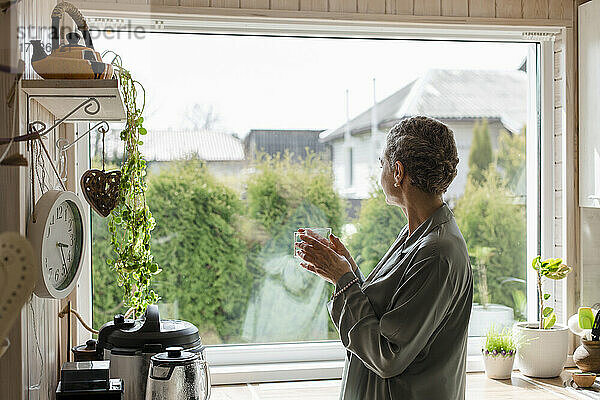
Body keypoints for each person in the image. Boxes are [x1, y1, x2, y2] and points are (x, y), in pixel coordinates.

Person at [296, 116, 473, 400]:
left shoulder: (437, 252)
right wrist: (347, 273)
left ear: (398, 172)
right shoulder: (416, 234)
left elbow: (387, 354)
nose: (380, 172)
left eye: (382, 163)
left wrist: (343, 280)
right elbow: (392, 316)